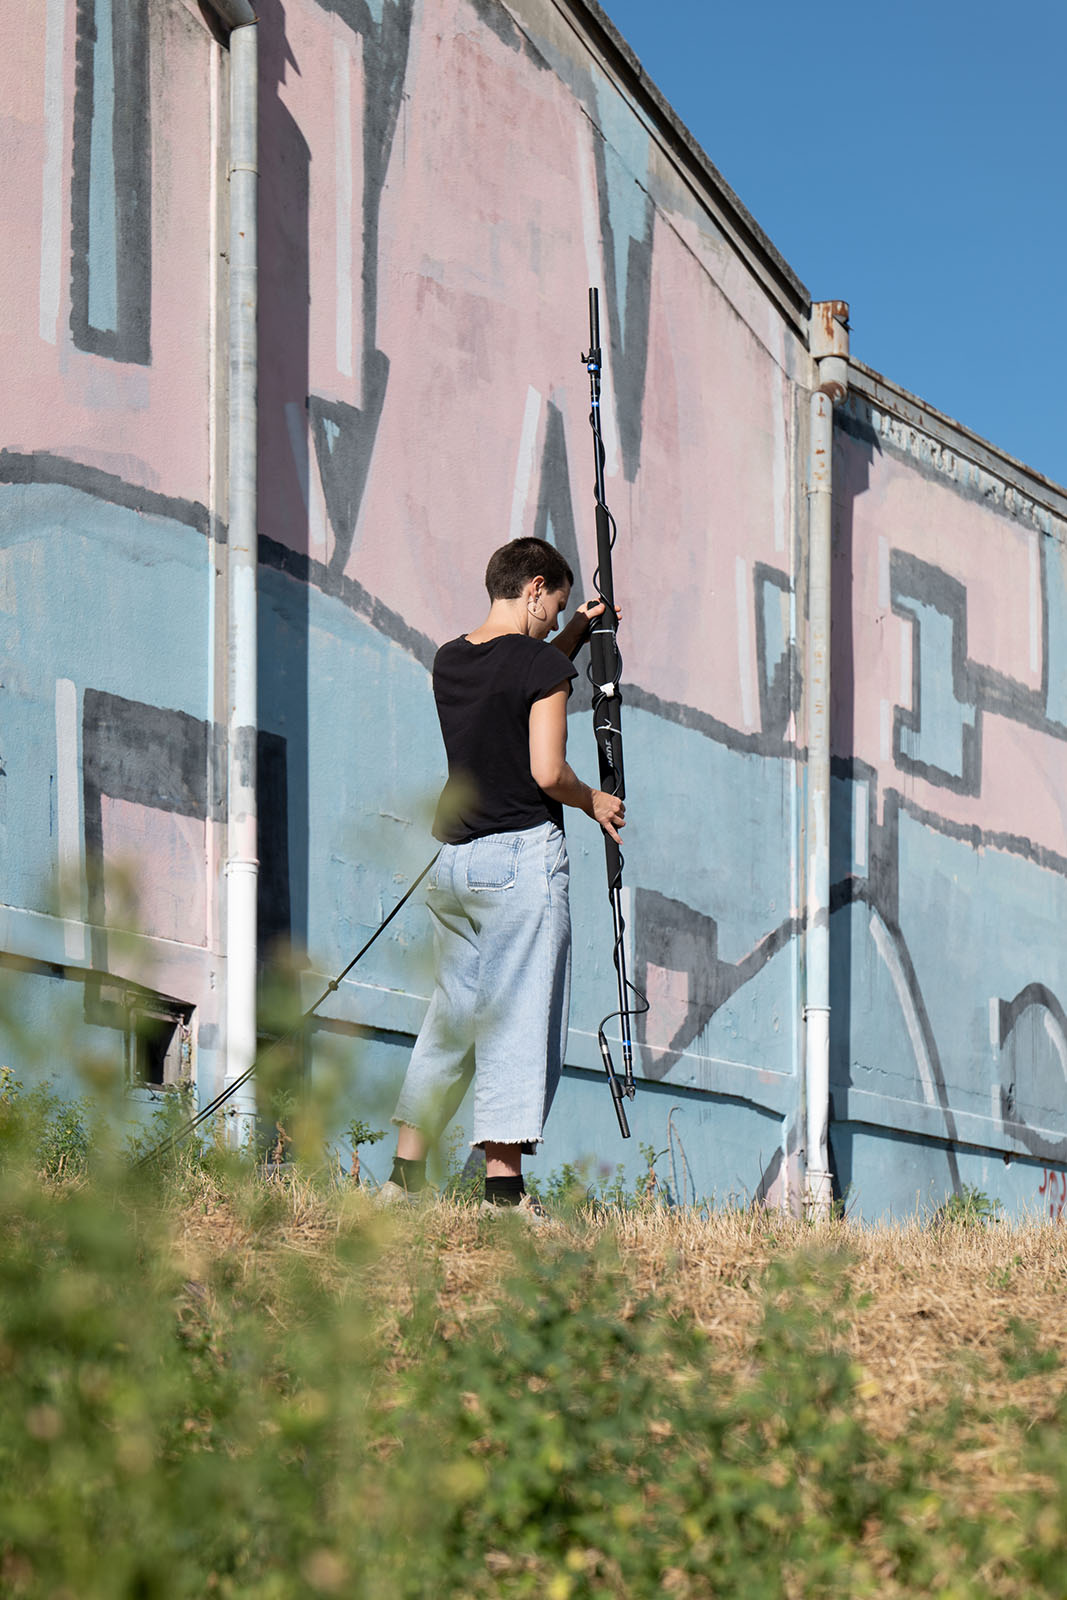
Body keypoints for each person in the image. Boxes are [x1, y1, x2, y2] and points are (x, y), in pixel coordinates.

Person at [377, 536, 625, 1216]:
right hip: (519, 860)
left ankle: (403, 1182)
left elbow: (515, 675)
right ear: (534, 588)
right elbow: (546, 770)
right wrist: (593, 801)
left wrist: (573, 634)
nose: (556, 619)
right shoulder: (540, 665)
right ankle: (503, 1194)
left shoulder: (450, 658)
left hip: (455, 864)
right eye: (557, 606)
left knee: (451, 1023)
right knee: (517, 1019)